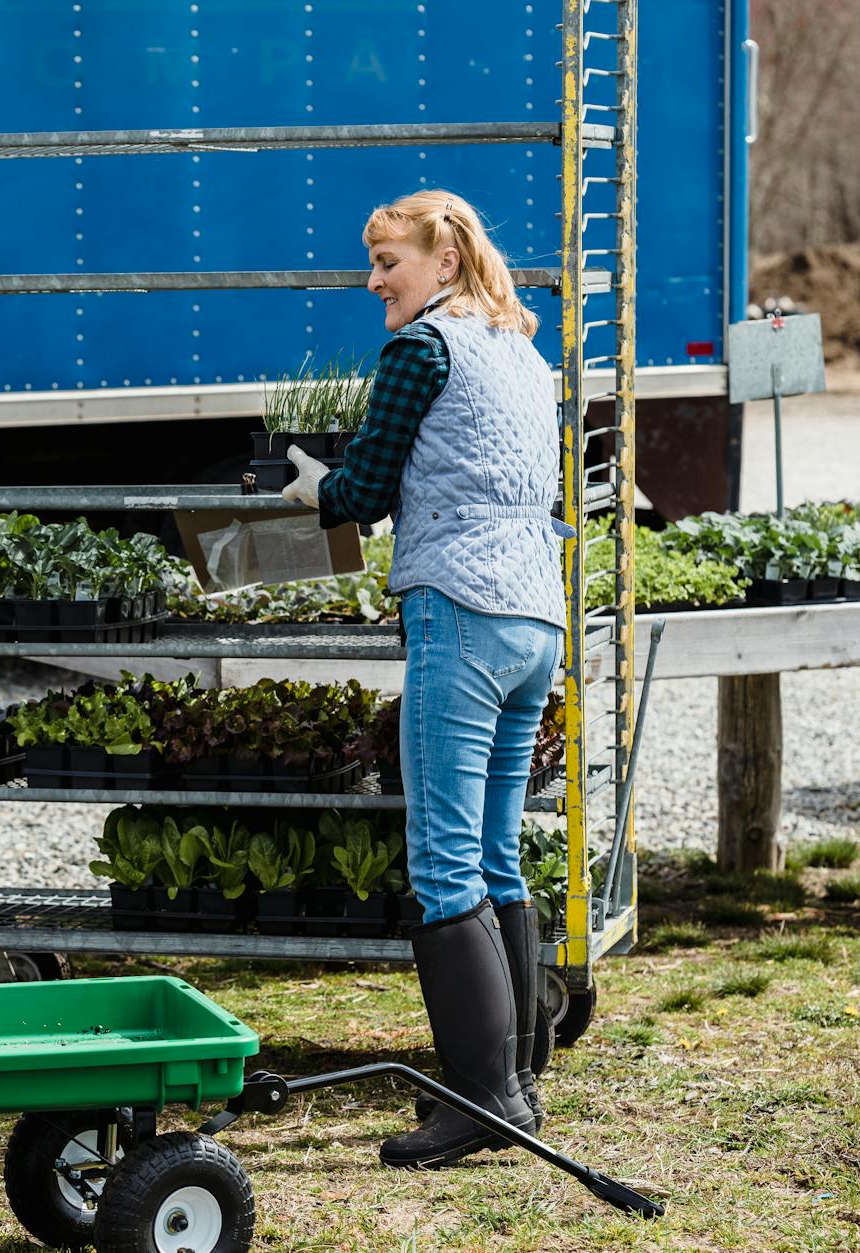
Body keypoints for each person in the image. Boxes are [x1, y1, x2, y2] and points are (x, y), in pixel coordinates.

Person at [281, 189, 572, 1169]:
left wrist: (307, 485)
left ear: (443, 260)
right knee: (496, 850)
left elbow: (361, 490)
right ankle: (518, 1078)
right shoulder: (522, 351)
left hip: (458, 608)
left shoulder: (424, 349)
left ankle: (481, 1103)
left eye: (386, 264)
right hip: (535, 617)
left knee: (442, 860)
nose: (372, 282)